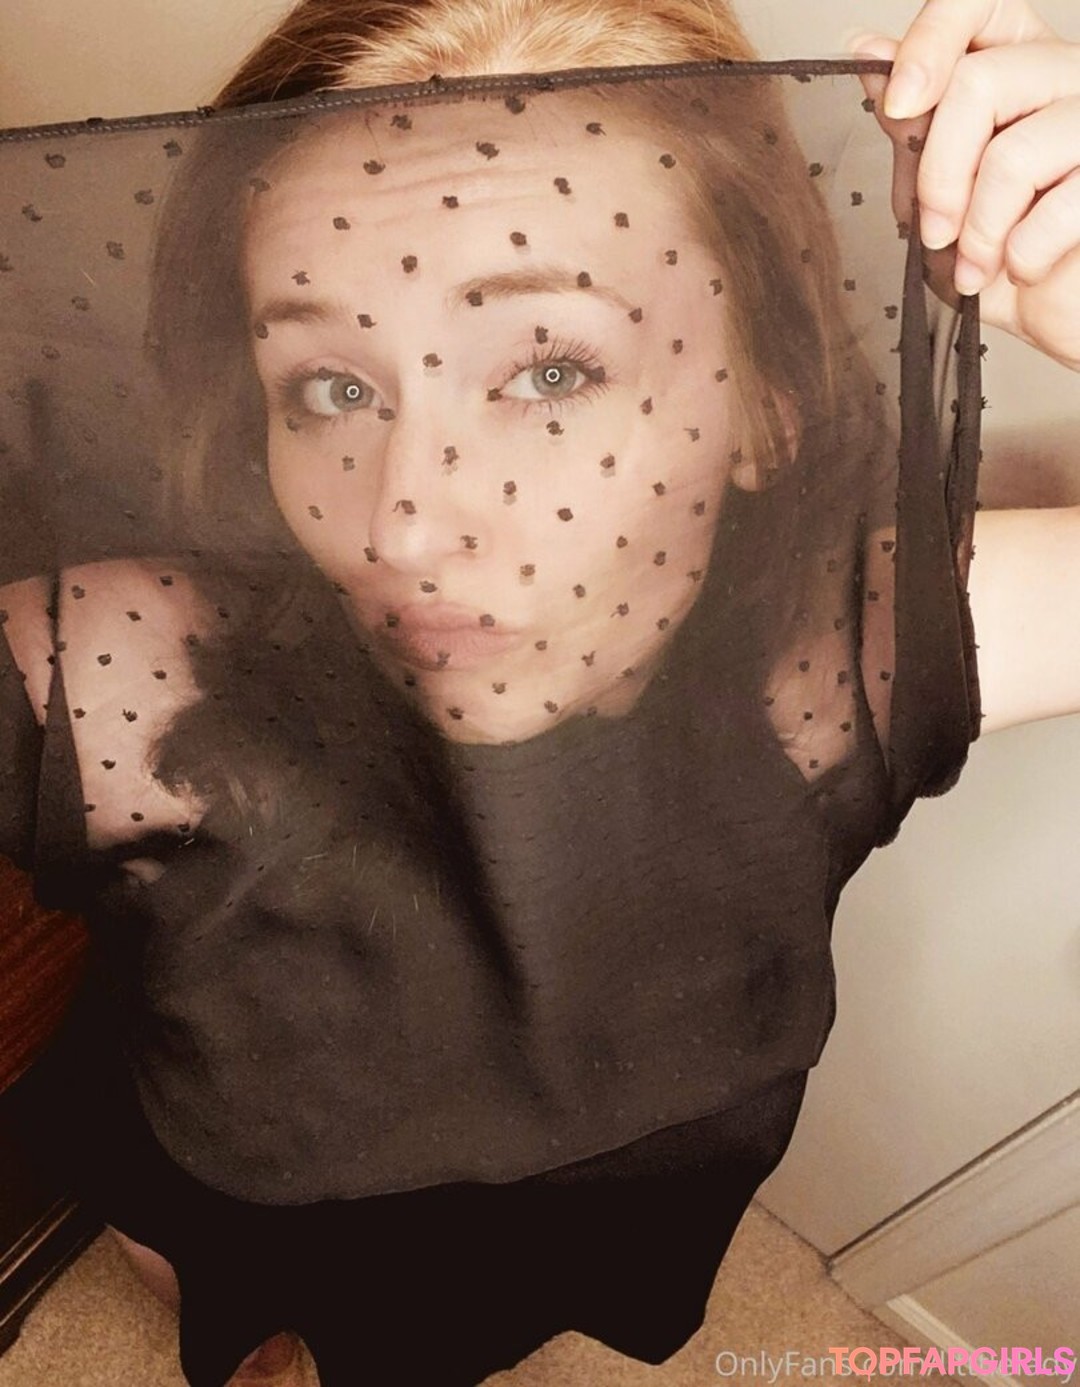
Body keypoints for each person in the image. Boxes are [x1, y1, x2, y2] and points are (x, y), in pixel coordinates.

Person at [0, 1, 1076, 1384]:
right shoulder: (134, 668)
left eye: (549, 371)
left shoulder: (842, 658)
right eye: (330, 387)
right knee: (226, 1291)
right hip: (230, 1178)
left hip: (588, 1220)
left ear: (766, 404)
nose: (400, 528)